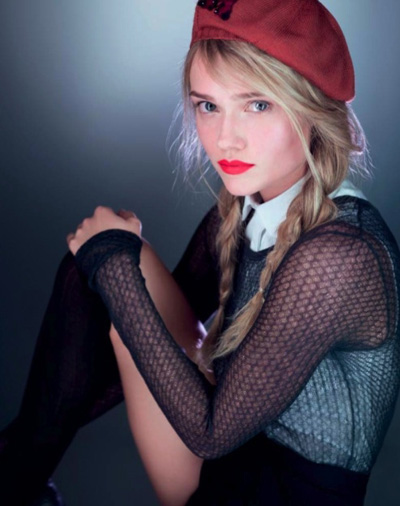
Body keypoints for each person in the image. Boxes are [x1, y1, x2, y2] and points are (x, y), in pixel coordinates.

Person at [1, 0, 399, 505]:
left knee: (114, 268)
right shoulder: (245, 207)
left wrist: (112, 262)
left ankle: (13, 475)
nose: (226, 139)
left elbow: (211, 434)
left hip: (262, 490)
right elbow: (147, 336)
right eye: (208, 106)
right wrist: (109, 265)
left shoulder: (341, 255)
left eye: (257, 105)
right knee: (100, 276)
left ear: (312, 109)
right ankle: (16, 478)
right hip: (226, 447)